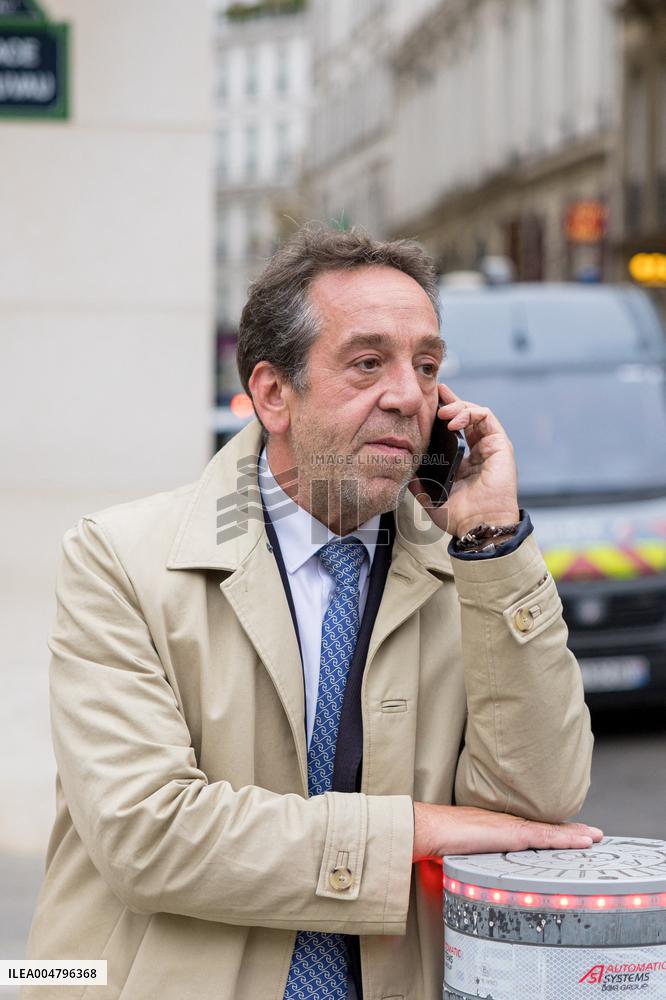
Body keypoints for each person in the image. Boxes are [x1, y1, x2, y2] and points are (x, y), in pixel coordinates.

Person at [24, 226, 598, 1000]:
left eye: (427, 366)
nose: (408, 394)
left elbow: (539, 809)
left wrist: (494, 546)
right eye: (368, 363)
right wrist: (418, 832)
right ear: (272, 394)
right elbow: (150, 836)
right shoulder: (120, 558)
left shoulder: (470, 565)